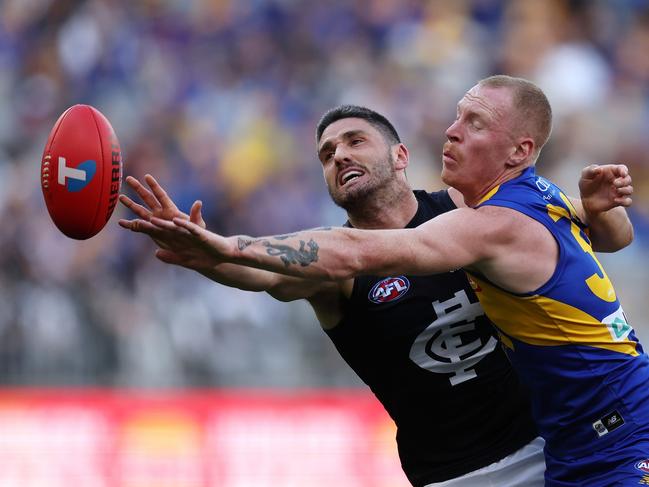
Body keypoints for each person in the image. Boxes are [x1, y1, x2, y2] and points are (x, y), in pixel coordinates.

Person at [120, 95, 638, 485]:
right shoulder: (333, 267)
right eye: (326, 154)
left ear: (400, 155)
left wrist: (597, 209)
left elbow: (596, 235)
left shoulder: (467, 213)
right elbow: (266, 272)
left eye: (354, 141)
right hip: (459, 475)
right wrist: (212, 256)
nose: (339, 155)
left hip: (550, 446)